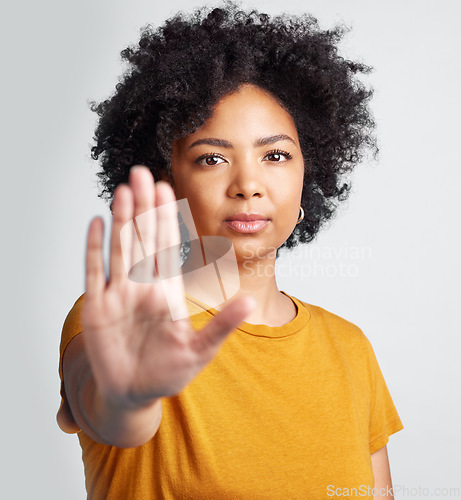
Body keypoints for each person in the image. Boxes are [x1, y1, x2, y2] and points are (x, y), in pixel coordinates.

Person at [57, 2, 403, 498]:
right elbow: (110, 409)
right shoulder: (118, 323)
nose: (248, 184)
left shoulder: (349, 348)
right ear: (165, 179)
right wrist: (127, 396)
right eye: (212, 158)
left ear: (310, 175)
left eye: (275, 155)